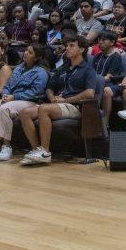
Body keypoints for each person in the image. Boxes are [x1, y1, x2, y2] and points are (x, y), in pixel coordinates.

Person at [18, 36, 100, 165]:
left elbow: (90, 93)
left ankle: (45, 152)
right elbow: (50, 87)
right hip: (58, 104)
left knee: (43, 109)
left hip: (76, 106)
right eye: (67, 45)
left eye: (72, 45)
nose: (67, 48)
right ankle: (36, 150)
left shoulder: (88, 70)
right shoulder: (63, 68)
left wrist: (66, 100)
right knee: (24, 113)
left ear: (82, 49)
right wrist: (52, 98)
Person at [0, 43, 50, 161]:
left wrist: (13, 97)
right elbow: (8, 85)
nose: (25, 53)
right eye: (25, 50)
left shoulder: (41, 72)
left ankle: (6, 146)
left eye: (30, 52)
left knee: (5, 108)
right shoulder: (19, 68)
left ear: (37, 57)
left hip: (30, 101)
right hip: (11, 98)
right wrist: (5, 94)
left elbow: (35, 92)